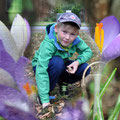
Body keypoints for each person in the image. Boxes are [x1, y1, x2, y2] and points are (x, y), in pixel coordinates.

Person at [32, 12, 93, 109]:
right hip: (42, 66)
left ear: (77, 34)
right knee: (57, 62)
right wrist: (44, 99)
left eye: (72, 34)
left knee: (85, 67)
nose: (67, 37)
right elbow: (41, 69)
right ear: (56, 28)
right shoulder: (48, 44)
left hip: (60, 65)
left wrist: (77, 62)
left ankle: (63, 82)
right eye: (64, 32)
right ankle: (45, 94)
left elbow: (88, 51)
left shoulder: (75, 41)